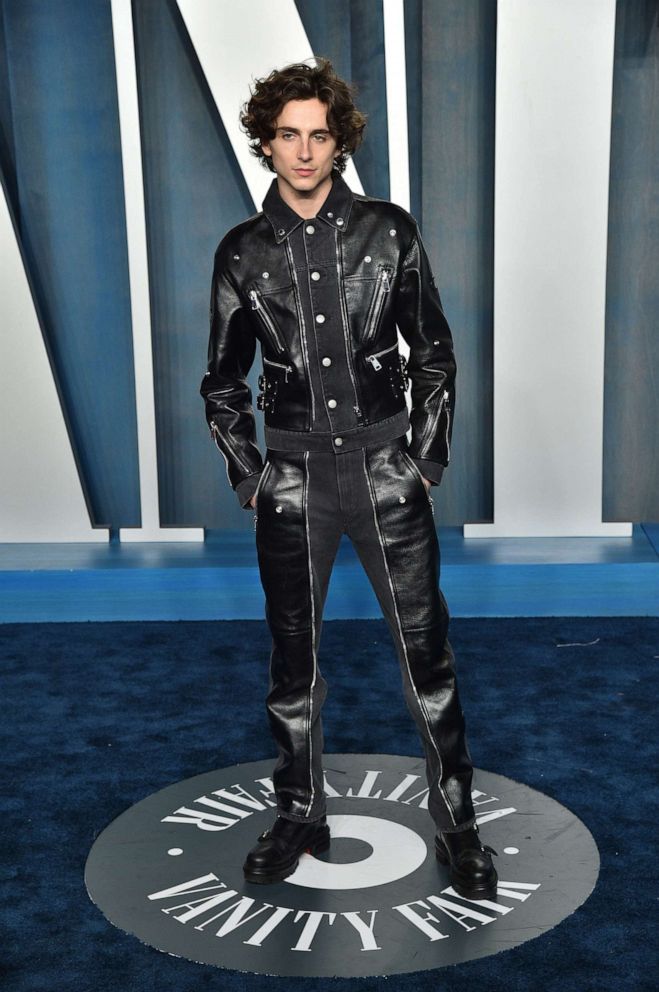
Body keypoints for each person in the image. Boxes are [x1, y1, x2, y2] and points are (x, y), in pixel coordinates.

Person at [200, 57, 498, 901]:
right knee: (293, 664)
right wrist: (252, 476)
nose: (303, 151)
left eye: (318, 136)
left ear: (338, 143)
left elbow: (431, 353)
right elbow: (221, 382)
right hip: (291, 483)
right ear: (266, 142)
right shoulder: (240, 252)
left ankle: (457, 821)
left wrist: (426, 458)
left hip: (384, 470)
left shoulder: (389, 232)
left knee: (426, 658)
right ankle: (298, 812)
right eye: (287, 135)